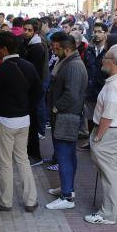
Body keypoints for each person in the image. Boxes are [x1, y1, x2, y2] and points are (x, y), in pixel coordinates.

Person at [0, 31, 41, 212]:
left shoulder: (0, 70)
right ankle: (30, 200)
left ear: (4, 49)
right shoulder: (29, 66)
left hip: (4, 120)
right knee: (23, 159)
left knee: (5, 162)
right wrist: (26, 108)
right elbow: (38, 92)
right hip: (23, 120)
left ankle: (6, 201)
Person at [85, 45, 117, 224]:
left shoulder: (114, 86)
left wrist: (98, 136)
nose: (102, 60)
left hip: (110, 133)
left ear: (113, 62)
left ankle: (107, 214)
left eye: (105, 58)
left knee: (109, 174)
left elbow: (108, 115)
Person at [46, 32, 88, 210]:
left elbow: (71, 94)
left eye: (57, 48)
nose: (54, 51)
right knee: (67, 155)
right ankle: (66, 188)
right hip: (66, 115)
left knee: (64, 156)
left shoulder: (73, 66)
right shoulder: (69, 62)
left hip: (66, 116)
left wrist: (56, 108)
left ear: (68, 49)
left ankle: (67, 196)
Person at [22, 18, 48, 165]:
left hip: (32, 90)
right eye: (25, 29)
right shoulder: (30, 44)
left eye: (29, 30)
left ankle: (35, 155)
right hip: (31, 89)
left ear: (35, 32)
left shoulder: (36, 47)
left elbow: (34, 72)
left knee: (32, 123)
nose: (26, 32)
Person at [82, 22, 109, 151]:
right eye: (95, 31)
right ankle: (91, 141)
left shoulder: (108, 50)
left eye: (99, 31)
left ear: (105, 33)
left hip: (104, 89)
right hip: (90, 89)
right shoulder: (90, 49)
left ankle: (101, 141)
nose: (96, 34)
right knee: (91, 117)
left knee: (103, 117)